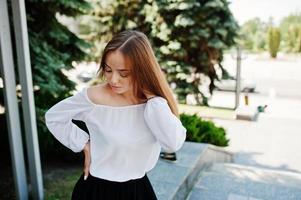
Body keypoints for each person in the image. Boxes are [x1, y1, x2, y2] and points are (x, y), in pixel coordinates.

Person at [44, 30, 187, 200]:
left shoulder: (154, 105)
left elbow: (172, 143)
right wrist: (84, 145)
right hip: (96, 191)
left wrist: (153, 99)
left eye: (123, 73)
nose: (113, 80)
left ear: (142, 70)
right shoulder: (94, 97)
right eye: (108, 69)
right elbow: (54, 117)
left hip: (139, 191)